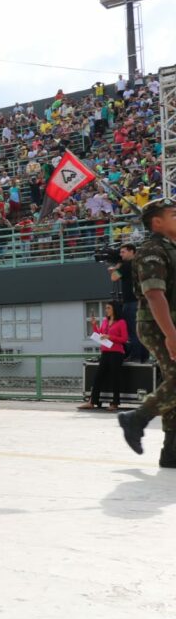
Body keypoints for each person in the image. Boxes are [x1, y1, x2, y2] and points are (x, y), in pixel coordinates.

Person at [118, 198, 176, 466]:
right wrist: (171, 334)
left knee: (173, 384)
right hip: (158, 325)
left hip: (169, 325)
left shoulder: (171, 248)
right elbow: (154, 294)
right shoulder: (152, 250)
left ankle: (171, 451)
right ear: (157, 222)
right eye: (174, 215)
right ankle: (137, 418)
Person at [78, 301, 128, 411]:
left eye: (108, 308)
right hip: (105, 352)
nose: (106, 310)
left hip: (116, 353)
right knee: (98, 377)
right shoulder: (105, 321)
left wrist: (110, 337)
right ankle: (92, 402)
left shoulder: (121, 322)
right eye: (106, 308)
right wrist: (94, 325)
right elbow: (100, 335)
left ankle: (115, 403)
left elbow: (124, 339)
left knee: (115, 378)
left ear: (114, 309)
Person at [110, 244, 147, 362]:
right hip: (141, 300)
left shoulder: (125, 265)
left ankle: (135, 356)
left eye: (123, 252)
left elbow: (114, 278)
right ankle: (143, 357)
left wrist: (116, 267)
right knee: (141, 330)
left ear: (132, 252)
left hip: (130, 302)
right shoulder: (140, 263)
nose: (121, 255)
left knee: (132, 330)